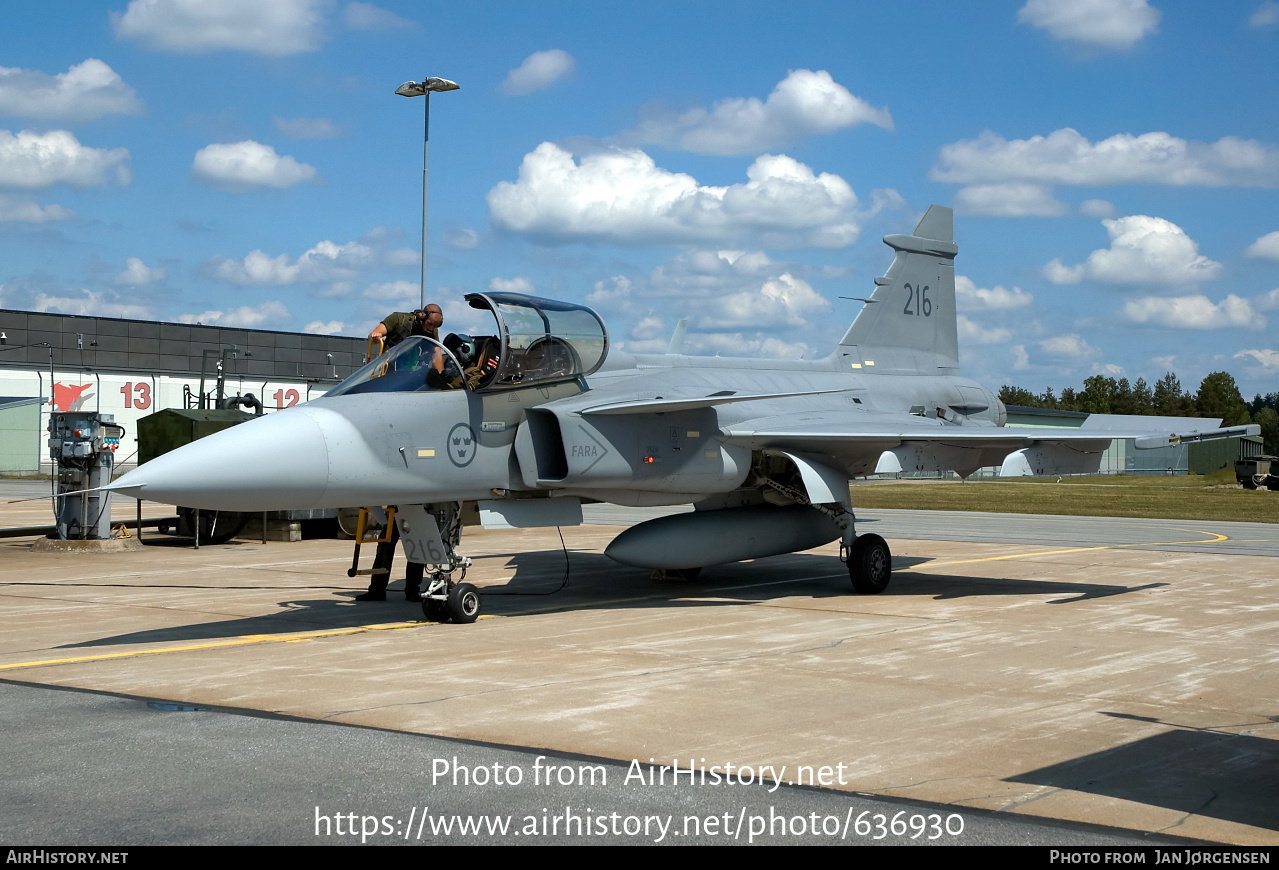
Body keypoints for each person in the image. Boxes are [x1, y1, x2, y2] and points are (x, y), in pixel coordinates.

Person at [354, 510, 424, 602]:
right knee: (384, 547)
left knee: (415, 548)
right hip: (396, 509)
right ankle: (377, 589)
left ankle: (412, 590)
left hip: (415, 509)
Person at [368, 304, 443, 350]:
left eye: (436, 326)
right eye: (429, 324)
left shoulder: (432, 332)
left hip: (414, 371)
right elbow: (373, 335)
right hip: (388, 368)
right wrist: (376, 337)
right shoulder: (398, 319)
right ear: (422, 317)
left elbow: (436, 354)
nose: (431, 328)